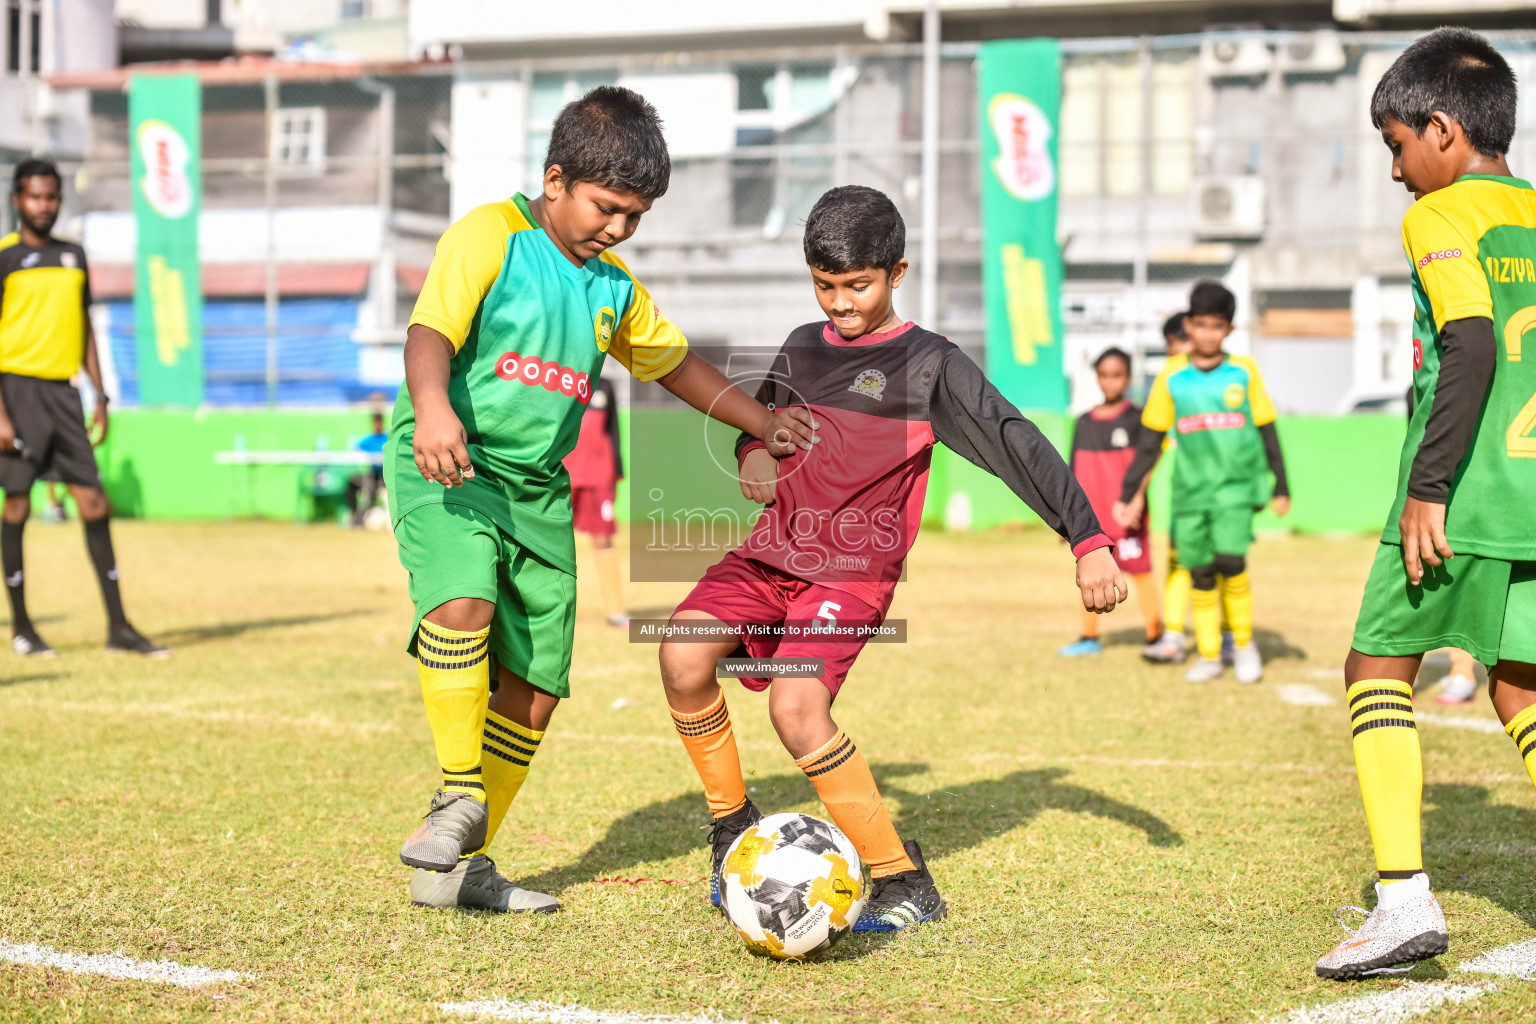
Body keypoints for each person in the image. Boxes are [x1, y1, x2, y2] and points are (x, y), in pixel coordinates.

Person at [385, 87, 818, 914]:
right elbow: (429, 332)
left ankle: (461, 869)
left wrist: (765, 422)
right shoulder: (490, 234)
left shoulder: (613, 287)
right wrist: (434, 409)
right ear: (555, 180)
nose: (618, 228)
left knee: (536, 689)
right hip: (451, 466)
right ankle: (453, 796)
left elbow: (676, 365)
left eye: (635, 216)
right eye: (606, 207)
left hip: (539, 494)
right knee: (464, 603)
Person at [657, 186, 1124, 934]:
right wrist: (753, 452)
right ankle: (729, 825)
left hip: (850, 572)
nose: (840, 303)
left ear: (897, 272)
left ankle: (904, 882)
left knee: (796, 708)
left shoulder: (929, 364)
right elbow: (766, 422)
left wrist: (1088, 540)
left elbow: (1015, 444)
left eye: (858, 285)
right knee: (681, 655)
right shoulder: (801, 345)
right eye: (825, 285)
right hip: (770, 553)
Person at [1314, 28, 1536, 980]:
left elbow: (1474, 344)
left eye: (1398, 145)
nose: (1398, 172)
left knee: (1377, 664)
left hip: (1470, 495)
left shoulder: (1444, 216)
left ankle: (1403, 903)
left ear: (1442, 130)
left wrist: (1428, 487)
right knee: (1522, 683)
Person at [0, 159, 166, 658]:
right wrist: (1, 415)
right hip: (16, 390)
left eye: (51, 197)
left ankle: (119, 628)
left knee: (94, 504)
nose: (44, 206)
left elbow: (84, 326)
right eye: (35, 197)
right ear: (17, 201)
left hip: (66, 393)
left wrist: (99, 393)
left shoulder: (73, 256)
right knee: (18, 505)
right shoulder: (5, 258)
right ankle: (24, 627)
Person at [1113, 281, 1290, 684]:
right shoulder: (1171, 376)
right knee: (1201, 572)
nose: (1208, 334)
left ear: (1229, 330)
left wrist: (1281, 485)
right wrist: (1128, 492)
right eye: (1201, 325)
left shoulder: (1243, 371)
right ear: (1188, 326)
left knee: (1232, 562)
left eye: (1217, 327)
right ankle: (1210, 653)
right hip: (1191, 491)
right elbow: (1150, 439)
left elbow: (1267, 427)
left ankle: (1242, 645)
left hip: (1235, 488)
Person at [1059, 347, 1161, 656]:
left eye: (1117, 375)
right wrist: (1067, 519)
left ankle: (1156, 635)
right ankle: (1088, 637)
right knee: (1089, 576)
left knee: (1141, 572)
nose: (1110, 382)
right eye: (1103, 375)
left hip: (1126, 515)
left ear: (1128, 378)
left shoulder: (1138, 418)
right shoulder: (1084, 423)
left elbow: (1148, 461)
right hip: (1093, 521)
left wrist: (1138, 498)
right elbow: (1072, 472)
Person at [562, 375, 627, 626]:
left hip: (599, 475)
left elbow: (613, 429)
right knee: (552, 539)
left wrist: (617, 471)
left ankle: (615, 612)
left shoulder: (606, 386)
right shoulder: (562, 377)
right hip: (564, 472)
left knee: (603, 539)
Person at [345, 411, 388, 527]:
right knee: (351, 484)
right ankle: (355, 518)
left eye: (379, 423)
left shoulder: (387, 438)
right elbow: (356, 452)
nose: (378, 425)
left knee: (371, 489)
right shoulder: (367, 440)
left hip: (385, 476)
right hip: (371, 475)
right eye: (375, 423)